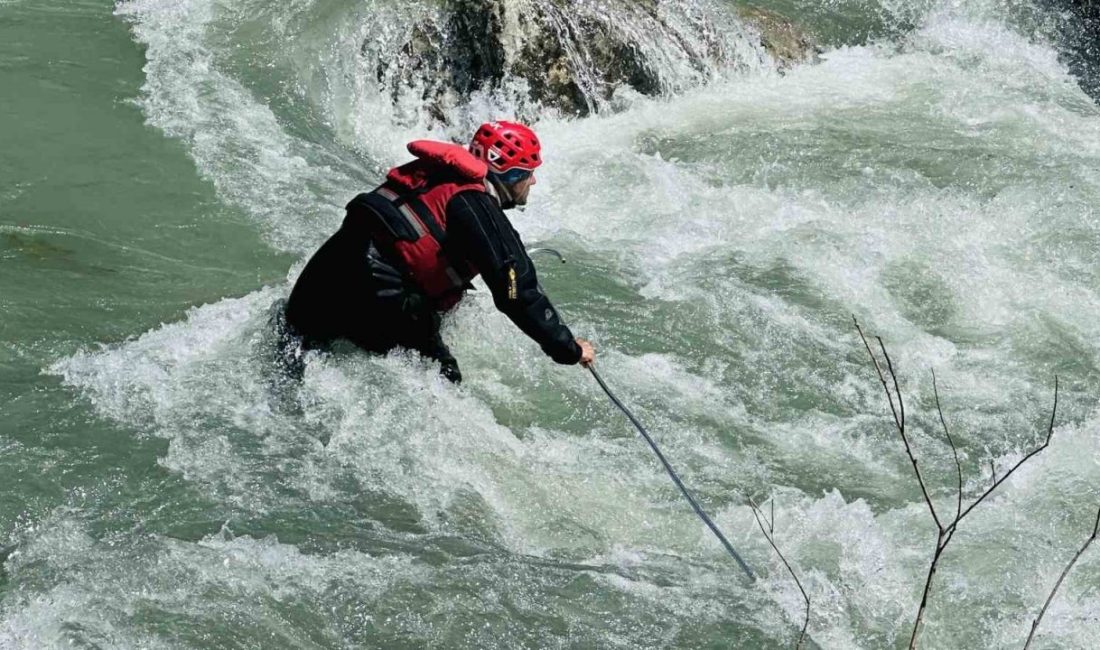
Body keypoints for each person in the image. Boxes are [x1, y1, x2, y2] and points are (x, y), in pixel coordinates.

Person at [278, 121, 596, 383]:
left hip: (325, 271)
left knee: (291, 368)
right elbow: (516, 292)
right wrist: (568, 348)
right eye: (528, 172)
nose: (534, 180)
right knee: (441, 381)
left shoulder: (435, 174)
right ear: (510, 175)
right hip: (378, 289)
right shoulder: (476, 204)